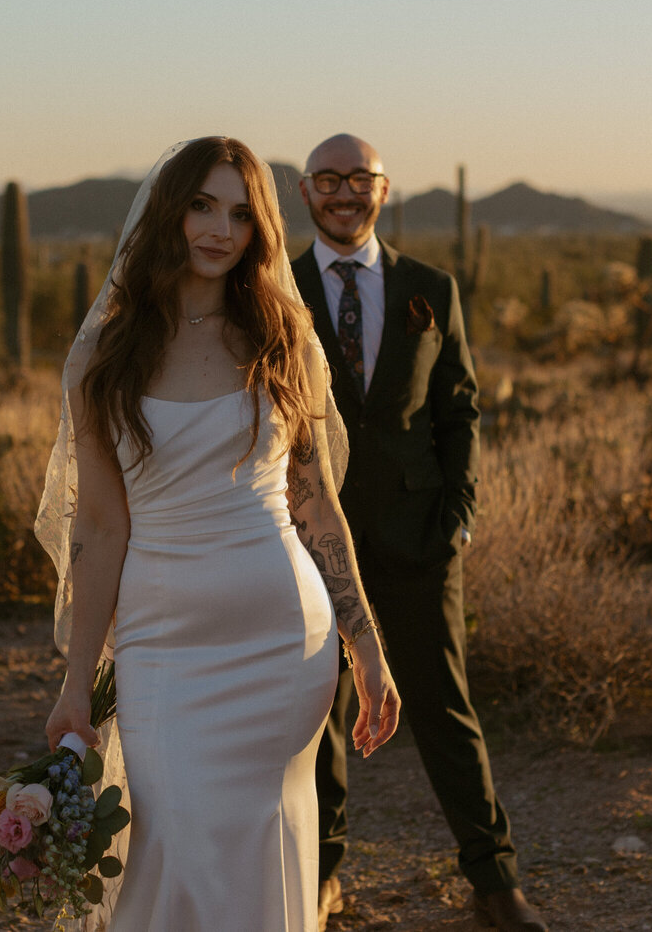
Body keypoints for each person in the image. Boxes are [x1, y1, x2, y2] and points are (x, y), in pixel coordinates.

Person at [39, 137, 401, 932]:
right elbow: (98, 529)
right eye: (202, 204)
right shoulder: (104, 355)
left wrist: (365, 645)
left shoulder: (281, 338)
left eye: (241, 213)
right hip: (162, 646)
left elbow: (317, 505)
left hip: (282, 643)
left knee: (259, 845)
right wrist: (76, 684)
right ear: (169, 210)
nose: (219, 229)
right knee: (169, 845)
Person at [293, 134, 547, 932]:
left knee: (444, 707)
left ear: (384, 188)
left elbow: (460, 408)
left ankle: (494, 878)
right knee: (316, 712)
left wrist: (460, 516)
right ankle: (324, 873)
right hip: (308, 541)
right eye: (328, 181)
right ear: (305, 193)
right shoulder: (275, 288)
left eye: (358, 179)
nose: (344, 193)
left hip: (419, 538)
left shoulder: (431, 287)